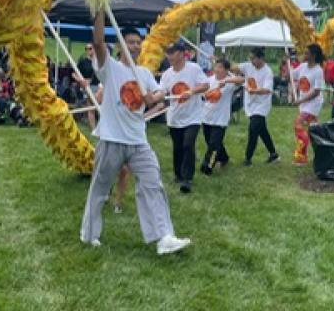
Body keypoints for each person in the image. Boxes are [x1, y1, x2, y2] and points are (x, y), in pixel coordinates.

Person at [80, 13, 190, 255]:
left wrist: (155, 97)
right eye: (130, 42)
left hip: (138, 141)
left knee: (153, 184)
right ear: (120, 45)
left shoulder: (144, 74)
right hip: (111, 140)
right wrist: (99, 11)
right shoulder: (110, 67)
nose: (135, 46)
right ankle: (89, 234)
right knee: (100, 189)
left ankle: (164, 237)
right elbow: (98, 43)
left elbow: (159, 93)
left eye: (138, 42)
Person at [159, 42, 210, 193]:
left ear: (182, 53)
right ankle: (178, 174)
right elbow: (162, 91)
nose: (169, 56)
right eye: (167, 53)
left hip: (193, 116)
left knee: (188, 145)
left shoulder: (193, 69)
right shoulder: (167, 74)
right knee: (178, 147)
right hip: (174, 117)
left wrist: (192, 91)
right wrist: (156, 97)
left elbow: (206, 85)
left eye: (172, 52)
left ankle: (187, 179)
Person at [235, 47, 279, 165]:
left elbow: (267, 90)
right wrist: (221, 63)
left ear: (260, 58)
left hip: (261, 106)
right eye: (250, 58)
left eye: (253, 58)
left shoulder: (267, 72)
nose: (251, 61)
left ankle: (247, 158)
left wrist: (254, 91)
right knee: (262, 130)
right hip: (250, 105)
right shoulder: (248, 66)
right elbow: (234, 67)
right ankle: (274, 154)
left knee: (253, 129)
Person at [200, 57, 238, 175]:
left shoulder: (230, 82)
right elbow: (202, 94)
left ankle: (208, 167)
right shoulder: (209, 80)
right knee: (210, 141)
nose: (217, 69)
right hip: (206, 117)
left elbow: (242, 79)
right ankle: (224, 158)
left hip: (220, 119)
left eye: (221, 67)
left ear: (227, 70)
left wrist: (226, 81)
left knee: (214, 145)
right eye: (216, 66)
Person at [292, 43, 325, 165]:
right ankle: (322, 152)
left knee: (298, 125)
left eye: (307, 53)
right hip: (304, 104)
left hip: (312, 105)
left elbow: (316, 92)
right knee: (314, 131)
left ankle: (301, 157)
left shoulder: (318, 71)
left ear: (314, 55)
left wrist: (300, 100)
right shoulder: (303, 66)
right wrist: (287, 62)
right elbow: (291, 75)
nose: (304, 55)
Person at [75, 42, 101, 130]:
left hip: (99, 86)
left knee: (101, 107)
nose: (88, 50)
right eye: (87, 48)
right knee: (91, 107)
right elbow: (74, 74)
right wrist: (81, 80)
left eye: (90, 48)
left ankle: (102, 127)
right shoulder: (83, 61)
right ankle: (94, 129)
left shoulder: (99, 61)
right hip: (88, 87)